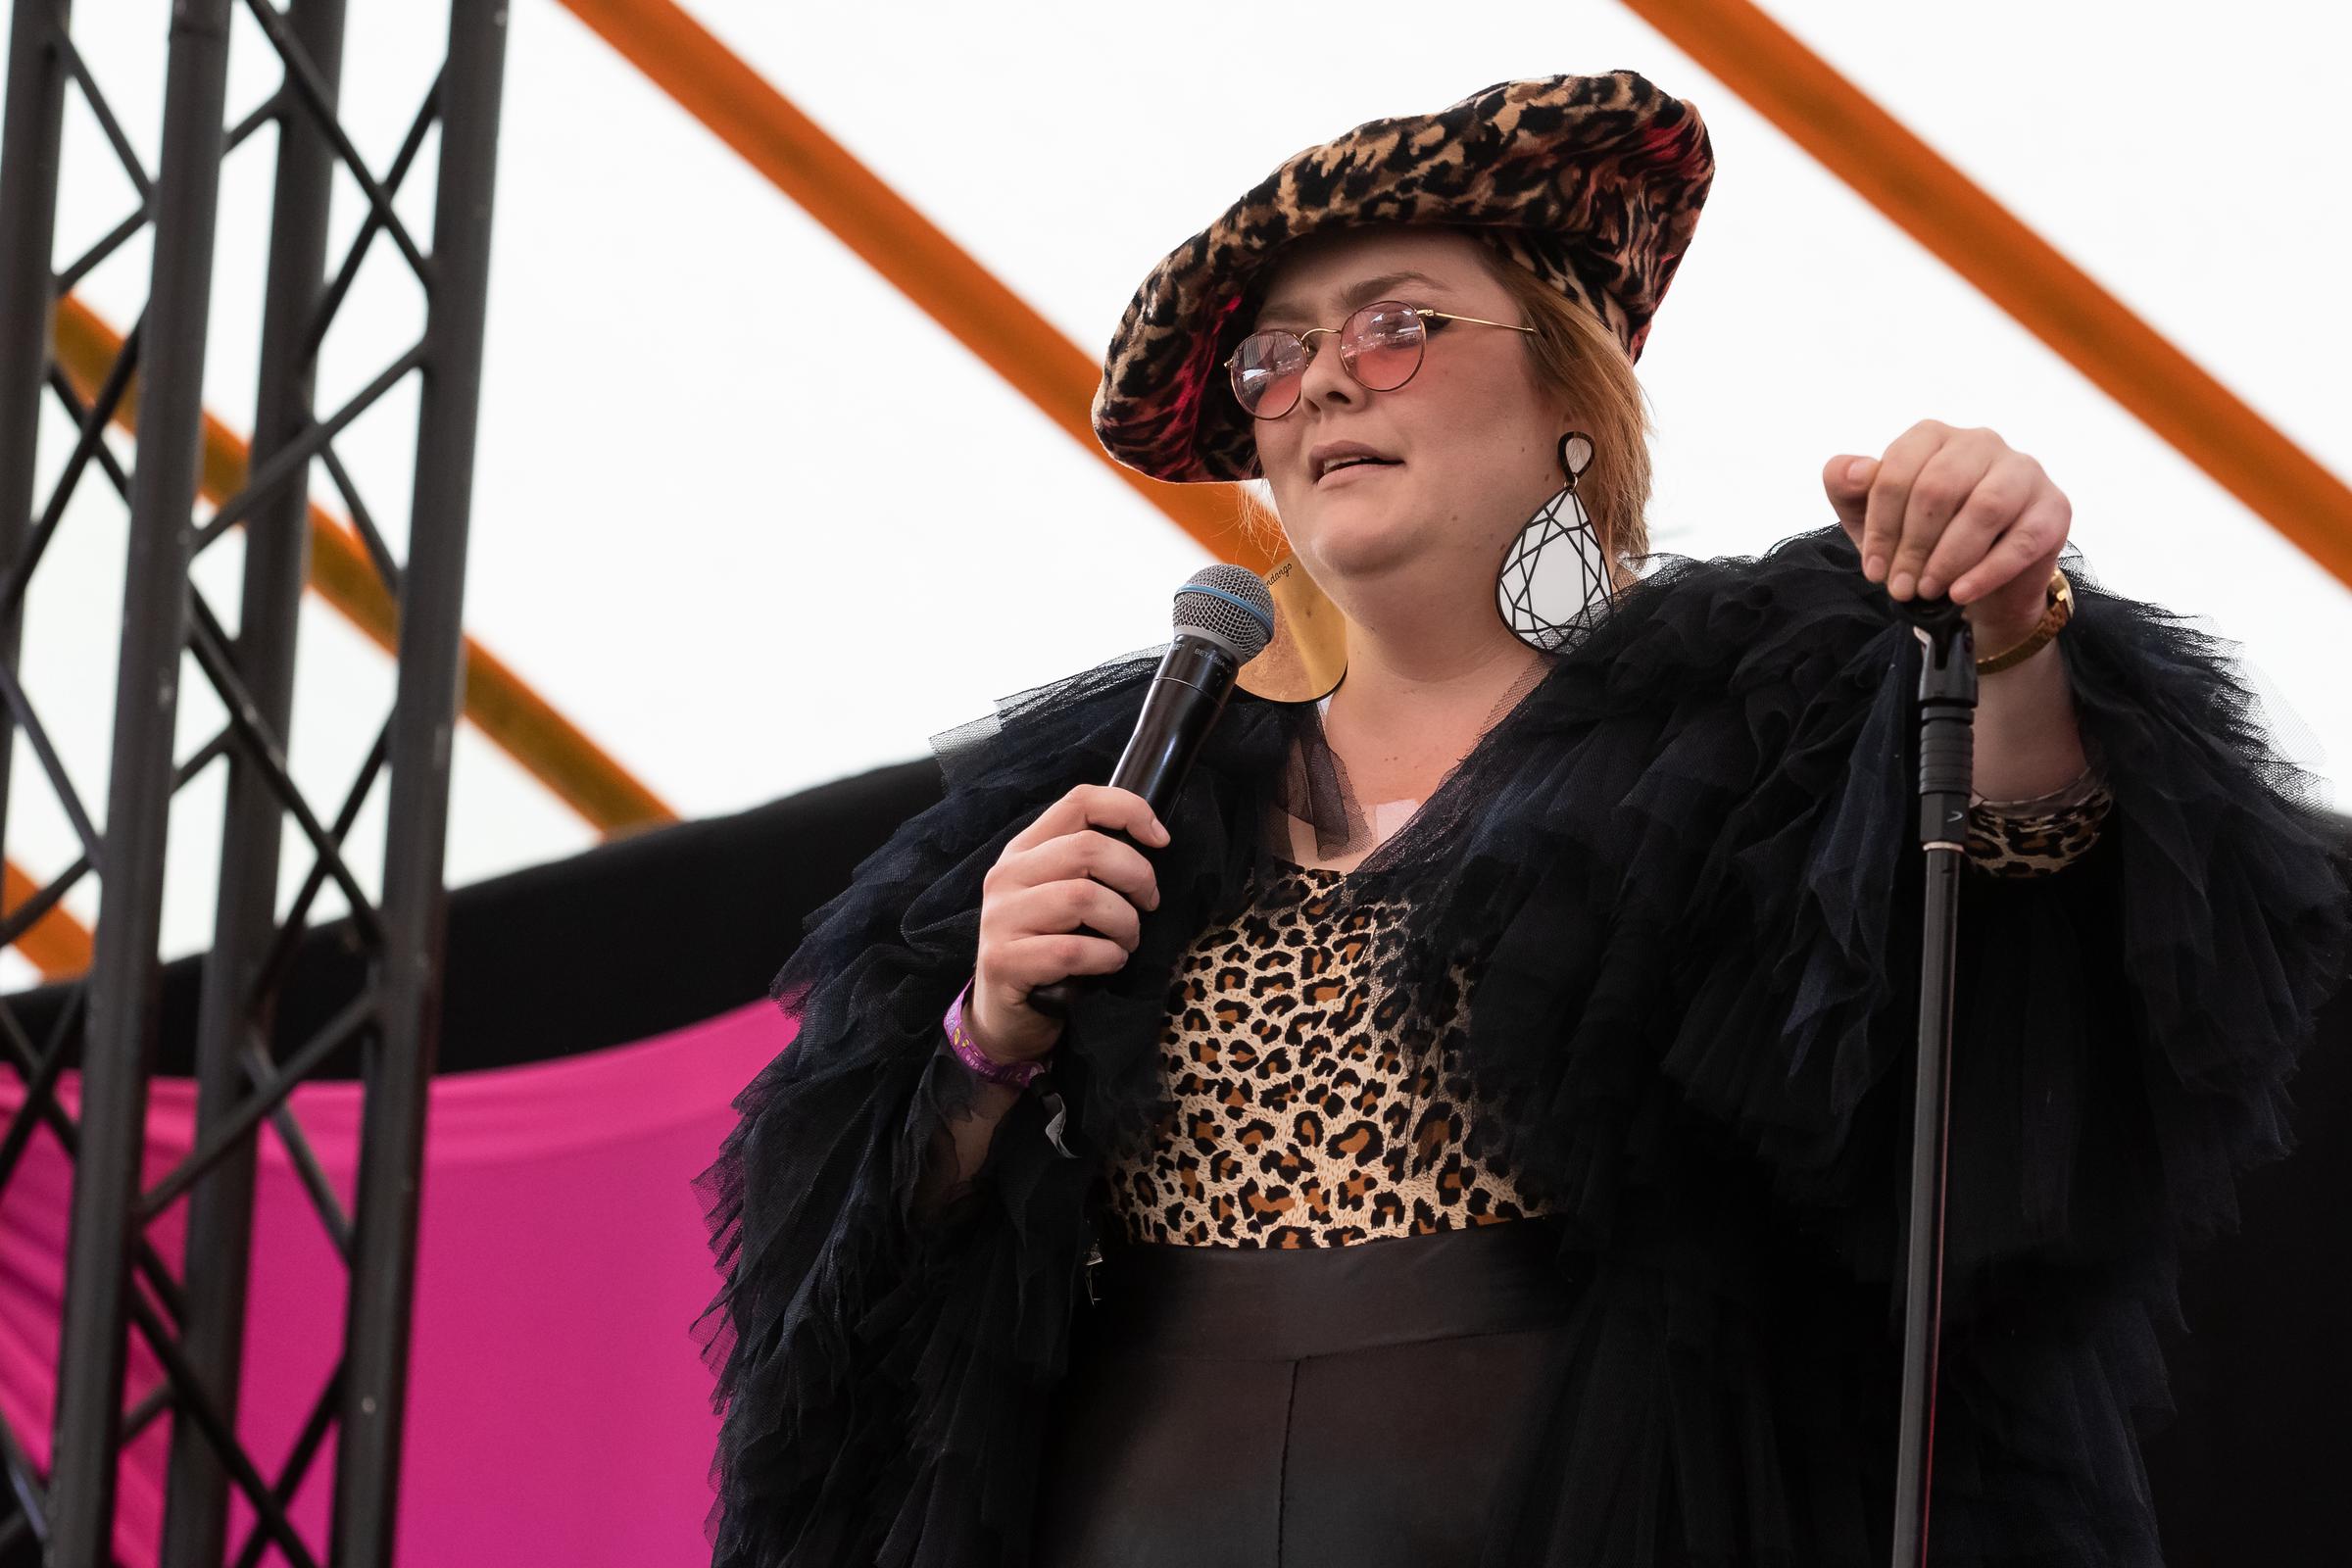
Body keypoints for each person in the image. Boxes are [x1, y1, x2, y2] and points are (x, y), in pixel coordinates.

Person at [692, 73, 2352, 1568]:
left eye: (1397, 322)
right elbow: (849, 1330)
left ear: (1577, 387)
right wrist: (982, 1045)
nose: (1323, 379)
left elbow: (2019, 977)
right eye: (1278, 356)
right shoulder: (1124, 783)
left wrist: (2006, 636)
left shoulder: (1760, 730)